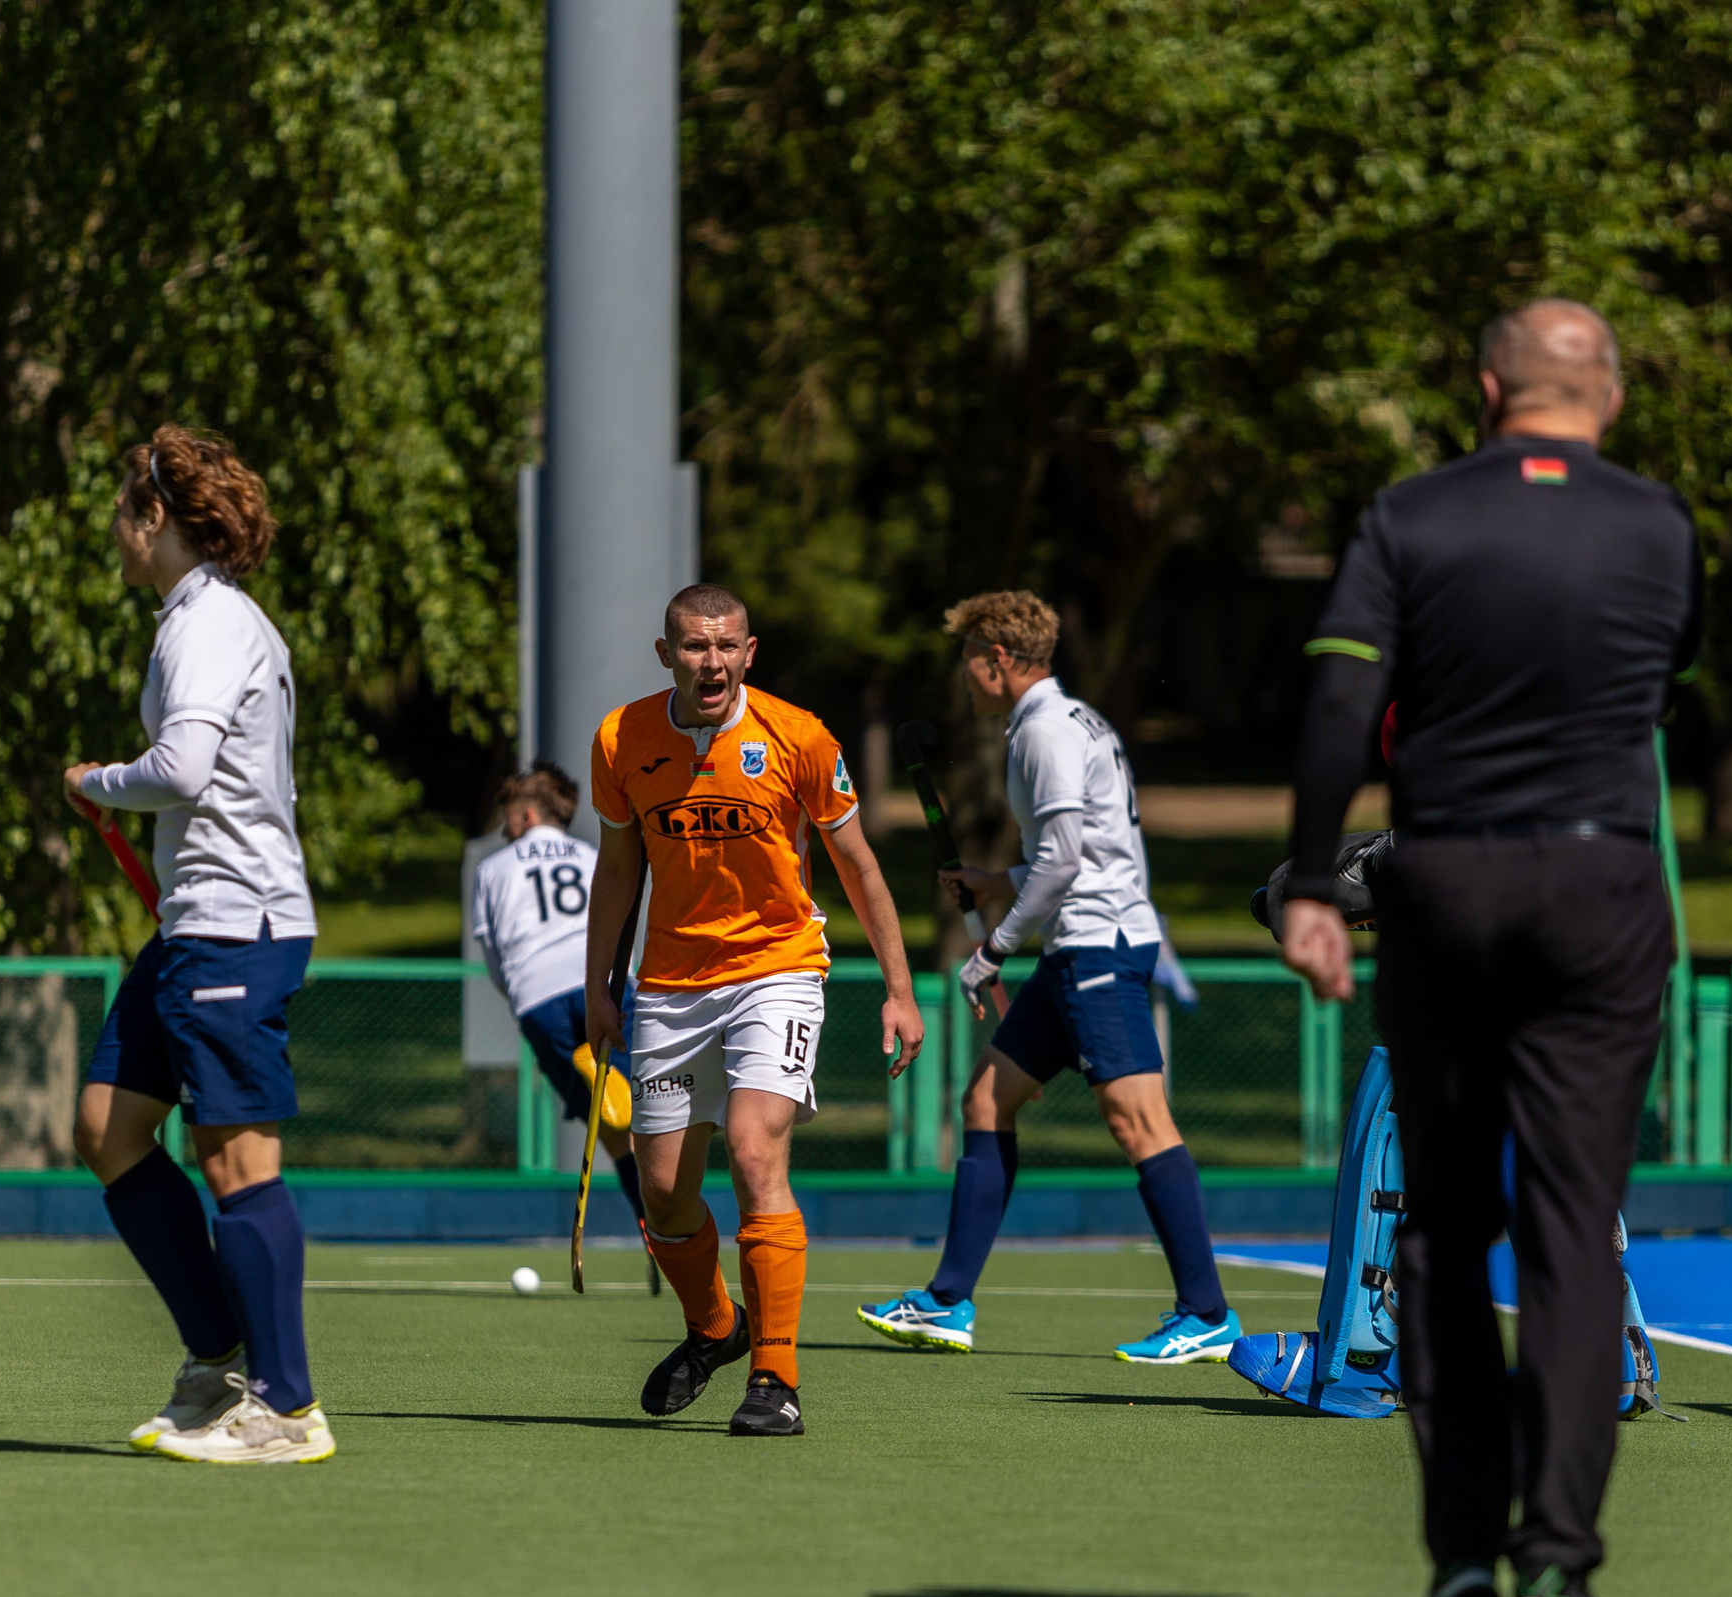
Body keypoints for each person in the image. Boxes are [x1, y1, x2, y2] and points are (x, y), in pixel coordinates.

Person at [1278, 301, 1701, 1597]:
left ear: (1484, 389)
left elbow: (1343, 697)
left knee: (1445, 1225)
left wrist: (1304, 877)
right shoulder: (1660, 527)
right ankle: (1558, 1564)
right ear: (1610, 397)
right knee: (1575, 1229)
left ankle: (1463, 1553)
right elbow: (1666, 676)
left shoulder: (1409, 516)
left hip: (1446, 883)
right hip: (1601, 887)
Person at [856, 592, 1241, 1363]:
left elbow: (1066, 863)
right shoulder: (1069, 720)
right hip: (1080, 947)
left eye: (970, 656)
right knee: (986, 1099)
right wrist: (993, 877)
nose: (964, 673)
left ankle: (1206, 1311)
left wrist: (993, 946)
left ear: (998, 659)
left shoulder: (1042, 731)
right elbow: (1069, 852)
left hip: (1098, 950)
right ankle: (947, 1301)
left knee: (1139, 1122)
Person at [583, 583, 924, 1437]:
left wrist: (900, 988)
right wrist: (598, 986)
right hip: (669, 982)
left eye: (726, 645)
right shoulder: (622, 738)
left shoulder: (799, 736)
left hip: (778, 968)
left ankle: (776, 1375)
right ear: (666, 654)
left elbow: (858, 867)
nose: (712, 662)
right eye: (695, 647)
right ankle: (716, 1329)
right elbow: (618, 869)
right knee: (662, 1192)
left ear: (750, 650)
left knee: (751, 1143)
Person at [62, 423, 334, 1465]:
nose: (116, 535)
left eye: (121, 514)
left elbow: (179, 768)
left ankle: (287, 1409)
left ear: (155, 516)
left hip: (236, 926)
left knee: (235, 1160)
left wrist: (101, 785)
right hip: (193, 925)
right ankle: (219, 1359)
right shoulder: (193, 619)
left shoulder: (209, 624)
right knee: (107, 1128)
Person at [469, 761, 653, 1287]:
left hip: (539, 998)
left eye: (510, 817)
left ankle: (650, 1214)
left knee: (609, 1122)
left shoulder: (494, 867)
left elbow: (495, 957)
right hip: (607, 985)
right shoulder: (592, 854)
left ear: (527, 813)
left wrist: (521, 1000)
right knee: (640, 1115)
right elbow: (623, 923)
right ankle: (662, 1227)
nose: (507, 829)